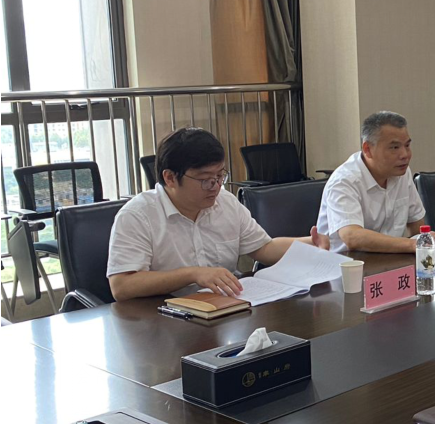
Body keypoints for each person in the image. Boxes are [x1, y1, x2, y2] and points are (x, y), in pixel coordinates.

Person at [108, 128, 327, 300]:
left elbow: (264, 248)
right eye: (205, 179)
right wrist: (193, 274)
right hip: (162, 318)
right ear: (170, 178)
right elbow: (121, 286)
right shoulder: (138, 216)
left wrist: (310, 244)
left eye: (220, 175)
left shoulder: (225, 202)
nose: (215, 186)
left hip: (224, 309)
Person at [318, 111, 435, 254]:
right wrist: (412, 244)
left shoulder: (401, 173)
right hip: (348, 264)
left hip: (390, 261)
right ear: (368, 149)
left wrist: (427, 241)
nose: (405, 155)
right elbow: (351, 236)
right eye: (394, 147)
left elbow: (417, 225)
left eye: (407, 145)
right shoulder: (344, 181)